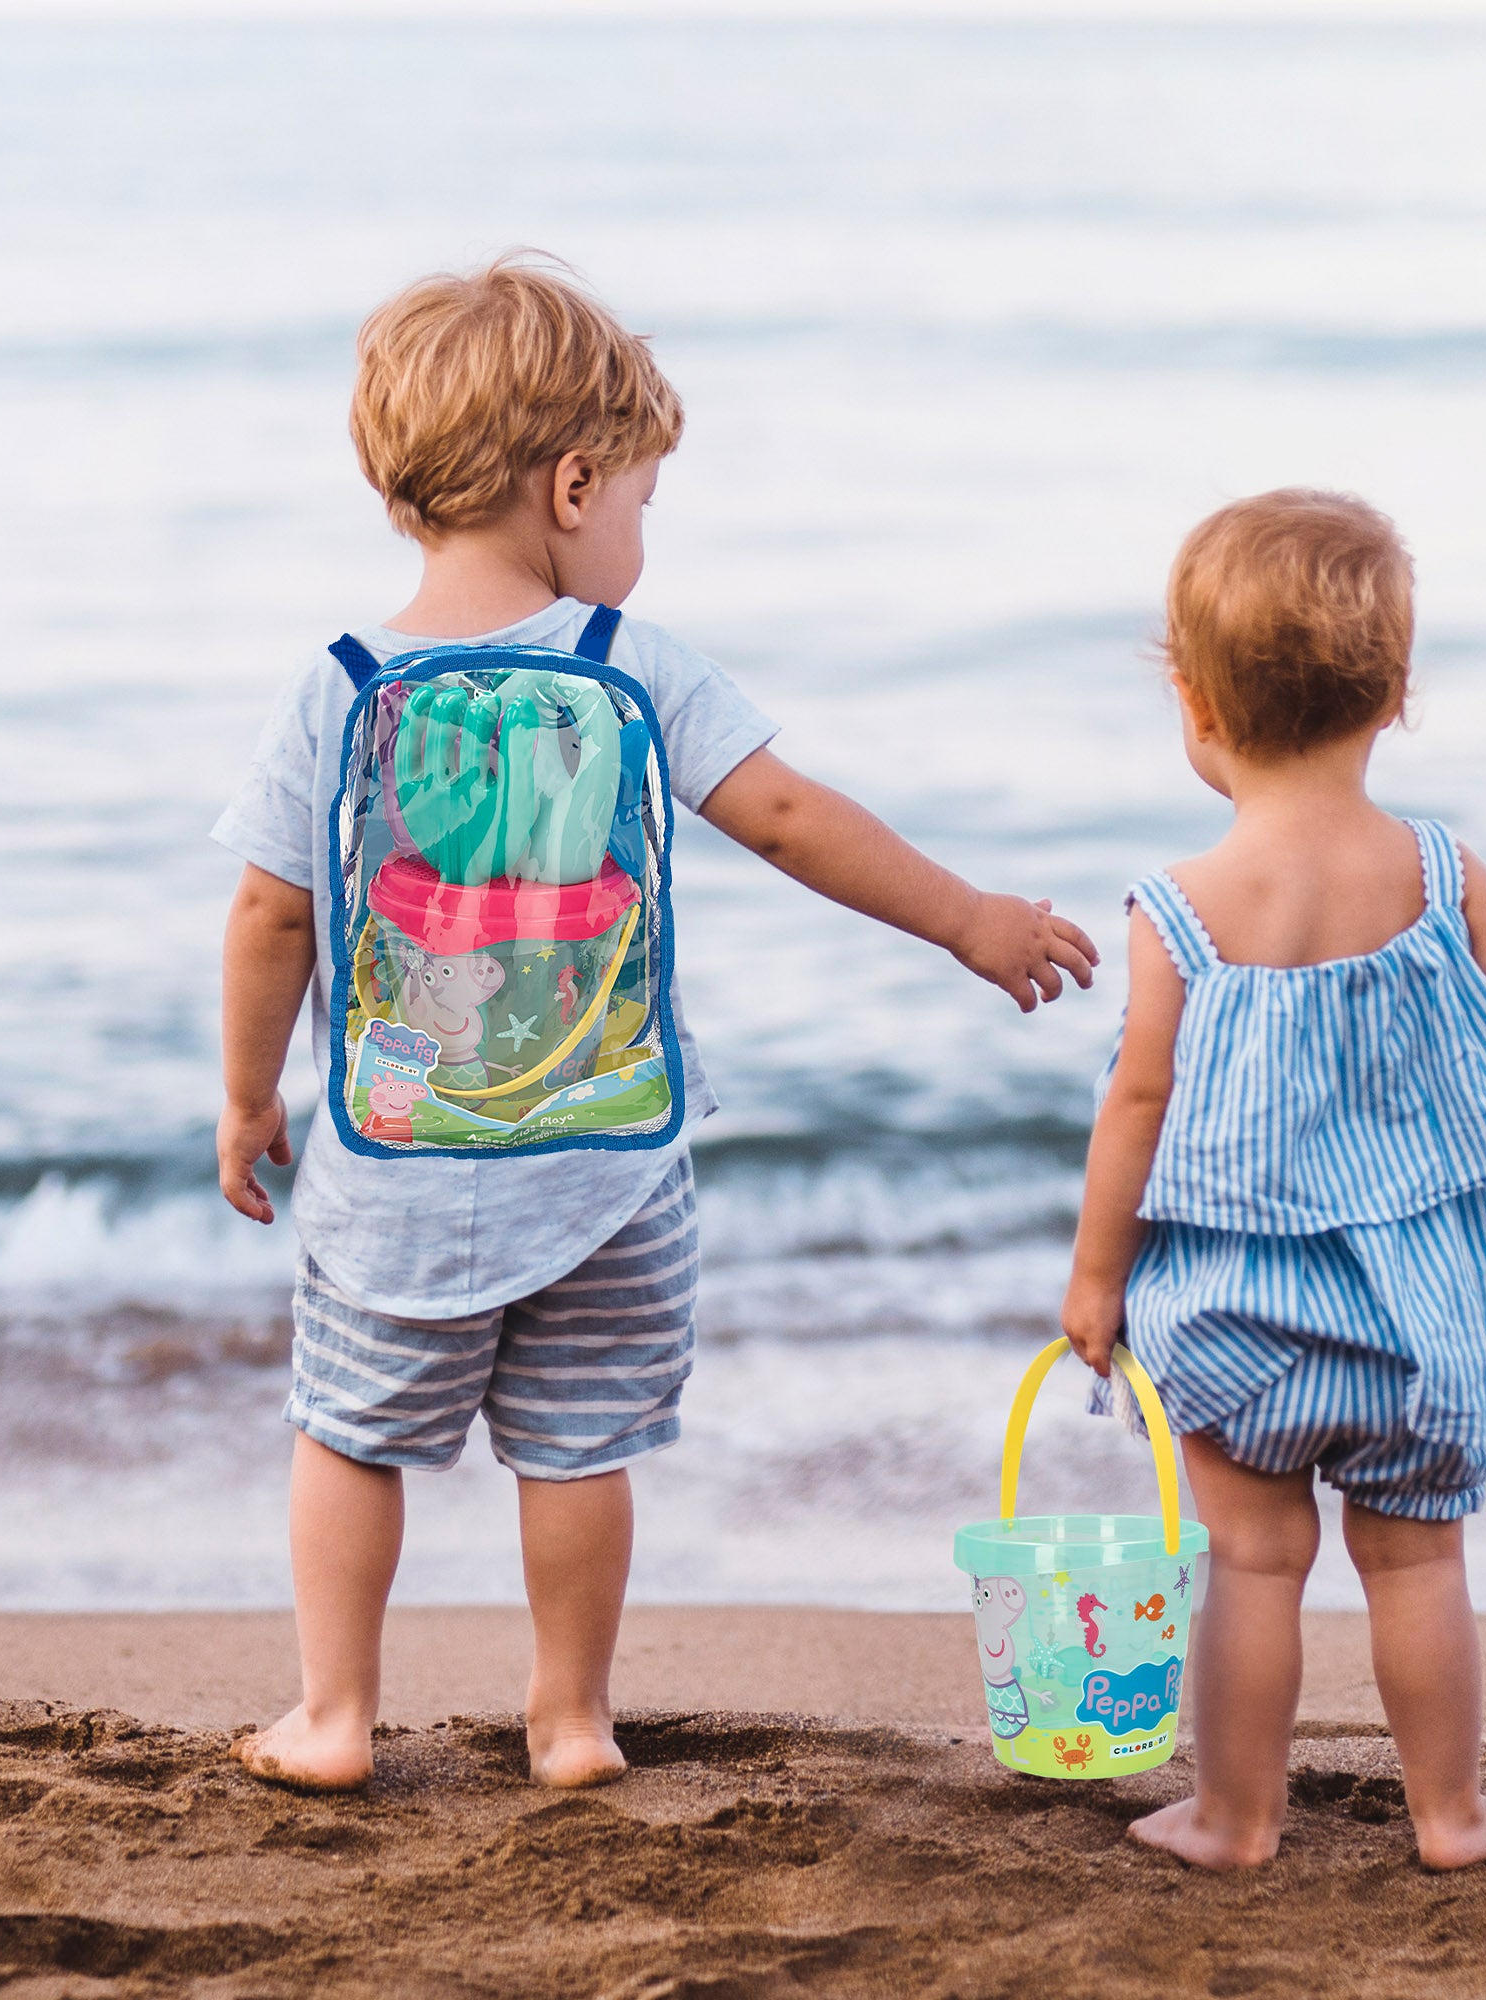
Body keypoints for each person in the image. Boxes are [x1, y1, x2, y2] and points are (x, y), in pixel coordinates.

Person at [213, 253, 1098, 1794]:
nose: (638, 532)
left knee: (352, 1436)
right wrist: (970, 920)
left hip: (398, 1167)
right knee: (575, 1450)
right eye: (637, 498)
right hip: (607, 1171)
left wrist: (245, 1099)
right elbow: (790, 818)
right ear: (570, 486)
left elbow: (272, 915)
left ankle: (334, 1715)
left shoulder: (335, 689)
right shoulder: (631, 669)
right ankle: (569, 1720)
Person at [1060, 490, 1486, 1871]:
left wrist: (1095, 1278)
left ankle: (1235, 1815)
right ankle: (1450, 1815)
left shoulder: (1180, 911)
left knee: (1256, 1566)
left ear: (1194, 704)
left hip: (1239, 1321)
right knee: (1416, 1563)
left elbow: (1133, 1110)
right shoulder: (1439, 876)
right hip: (1422, 1320)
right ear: (1395, 695)